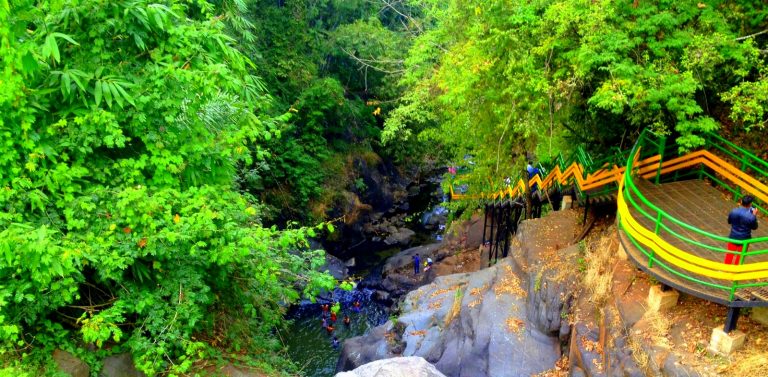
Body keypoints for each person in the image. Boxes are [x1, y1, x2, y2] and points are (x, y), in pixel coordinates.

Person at [726, 195, 759, 265]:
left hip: (733, 237)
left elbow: (729, 221)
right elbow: (755, 227)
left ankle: (725, 269)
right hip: (744, 239)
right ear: (750, 204)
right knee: (740, 256)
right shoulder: (751, 216)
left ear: (741, 202)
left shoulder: (733, 211)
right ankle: (736, 269)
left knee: (729, 255)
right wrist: (754, 215)